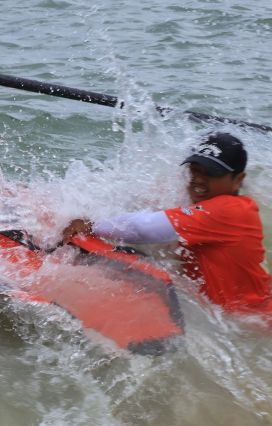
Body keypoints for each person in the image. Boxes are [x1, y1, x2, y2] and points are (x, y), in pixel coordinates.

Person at [62, 131, 272, 315]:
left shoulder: (229, 209)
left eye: (211, 173)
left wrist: (92, 225)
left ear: (238, 179)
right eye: (195, 170)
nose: (198, 179)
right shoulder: (214, 207)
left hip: (255, 321)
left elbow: (144, 228)